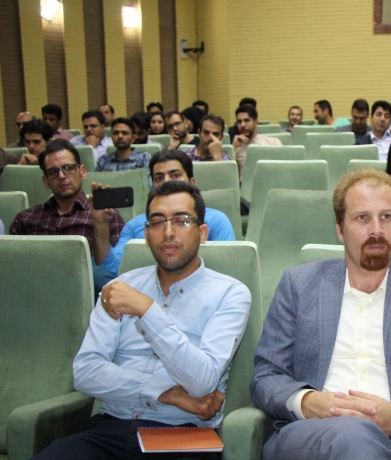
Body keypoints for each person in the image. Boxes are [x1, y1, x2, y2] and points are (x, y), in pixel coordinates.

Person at [251, 168, 391, 459]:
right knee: (354, 435)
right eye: (362, 218)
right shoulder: (299, 286)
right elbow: (265, 377)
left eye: (387, 217)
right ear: (340, 229)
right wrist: (308, 402)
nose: (376, 230)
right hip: (310, 437)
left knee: (361, 443)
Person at [32, 180, 251, 460]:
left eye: (182, 221)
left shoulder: (230, 293)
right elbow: (85, 371)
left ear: (202, 233)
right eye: (158, 222)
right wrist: (164, 392)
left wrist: (147, 311)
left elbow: (202, 382)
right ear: (147, 235)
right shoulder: (120, 288)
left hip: (182, 435)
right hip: (109, 428)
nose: (168, 232)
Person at [97, 149, 235, 277]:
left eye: (175, 175)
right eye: (159, 178)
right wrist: (101, 225)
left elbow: (227, 271)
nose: (166, 182)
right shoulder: (134, 226)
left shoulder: (216, 221)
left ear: (191, 183)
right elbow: (115, 269)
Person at [10, 139, 124, 290]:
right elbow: (10, 268)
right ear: (46, 181)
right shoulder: (25, 218)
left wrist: (100, 226)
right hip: (32, 290)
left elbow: (113, 275)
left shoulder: (107, 215)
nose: (62, 176)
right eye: (53, 172)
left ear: (82, 172)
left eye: (68, 168)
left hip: (85, 291)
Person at [95, 117, 152, 187]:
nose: (120, 136)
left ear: (133, 138)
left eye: (125, 133)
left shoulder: (144, 158)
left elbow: (149, 186)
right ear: (112, 137)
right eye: (116, 133)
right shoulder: (103, 160)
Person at [231, 104, 281, 180]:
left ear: (256, 122)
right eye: (239, 122)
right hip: (243, 184)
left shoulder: (273, 142)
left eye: (247, 121)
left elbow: (282, 168)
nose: (243, 125)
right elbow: (228, 173)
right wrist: (234, 147)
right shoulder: (236, 145)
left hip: (270, 181)